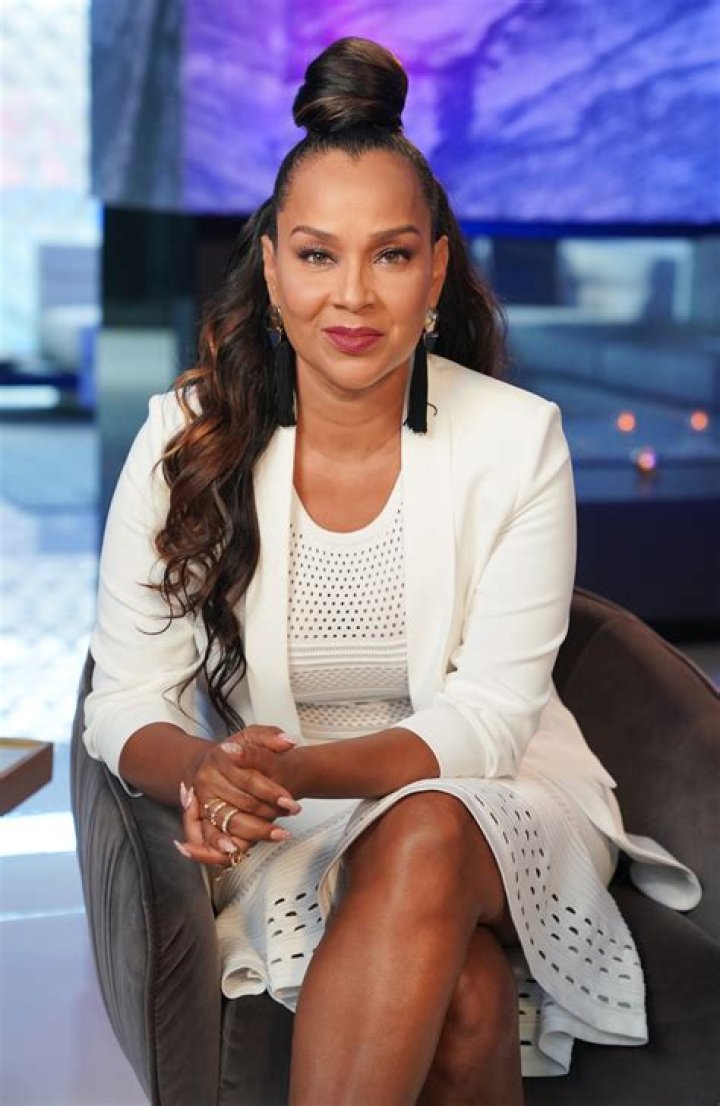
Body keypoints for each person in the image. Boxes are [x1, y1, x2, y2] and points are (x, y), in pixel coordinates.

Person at [83, 37, 701, 1106]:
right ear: (271, 268)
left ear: (437, 271)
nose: (354, 297)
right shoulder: (183, 438)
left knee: (426, 825)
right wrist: (204, 768)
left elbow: (488, 723)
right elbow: (125, 695)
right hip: (294, 823)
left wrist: (277, 778)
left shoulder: (518, 439)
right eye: (318, 255)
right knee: (465, 994)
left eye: (393, 255)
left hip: (499, 800)